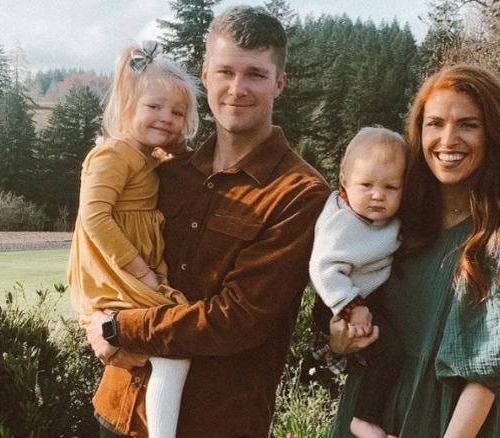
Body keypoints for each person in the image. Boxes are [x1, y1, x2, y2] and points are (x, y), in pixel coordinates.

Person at [84, 5, 330, 437]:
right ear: (206, 74)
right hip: (120, 407)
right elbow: (100, 240)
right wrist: (95, 314)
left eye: (254, 74)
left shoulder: (298, 194)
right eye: (225, 72)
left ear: (280, 82)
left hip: (214, 423)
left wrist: (119, 327)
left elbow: (237, 320)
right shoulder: (165, 171)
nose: (237, 88)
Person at [324, 64, 500, 437]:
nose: (449, 139)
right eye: (435, 123)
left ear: (493, 134)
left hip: (448, 423)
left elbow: (488, 373)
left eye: (468, 124)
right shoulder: (397, 220)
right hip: (367, 415)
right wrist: (341, 340)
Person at [66, 40, 200, 438]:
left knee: (148, 350)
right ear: (127, 106)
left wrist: (176, 146)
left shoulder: (147, 158)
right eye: (154, 107)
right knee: (174, 349)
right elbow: (93, 217)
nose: (167, 117)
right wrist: (142, 273)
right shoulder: (113, 155)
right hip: (118, 273)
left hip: (126, 272)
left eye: (178, 112)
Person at [308, 127, 407, 438]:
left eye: (391, 187)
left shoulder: (378, 219)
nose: (378, 195)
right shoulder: (342, 223)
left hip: (362, 295)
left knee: (382, 354)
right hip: (341, 301)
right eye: (367, 185)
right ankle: (363, 418)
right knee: (388, 350)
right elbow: (323, 268)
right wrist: (353, 307)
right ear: (344, 185)